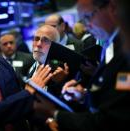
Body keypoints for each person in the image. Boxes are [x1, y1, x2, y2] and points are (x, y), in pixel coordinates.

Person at [32, 0, 130, 131]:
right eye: (83, 21)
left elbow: (113, 118)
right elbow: (114, 93)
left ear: (112, 8)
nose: (87, 26)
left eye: (88, 17)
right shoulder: (112, 45)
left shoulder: (124, 50)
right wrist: (84, 95)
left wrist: (54, 113)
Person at [28, 25, 69, 98]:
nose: (38, 44)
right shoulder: (31, 65)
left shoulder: (63, 70)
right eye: (36, 39)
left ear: (57, 46)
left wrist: (60, 83)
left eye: (45, 40)